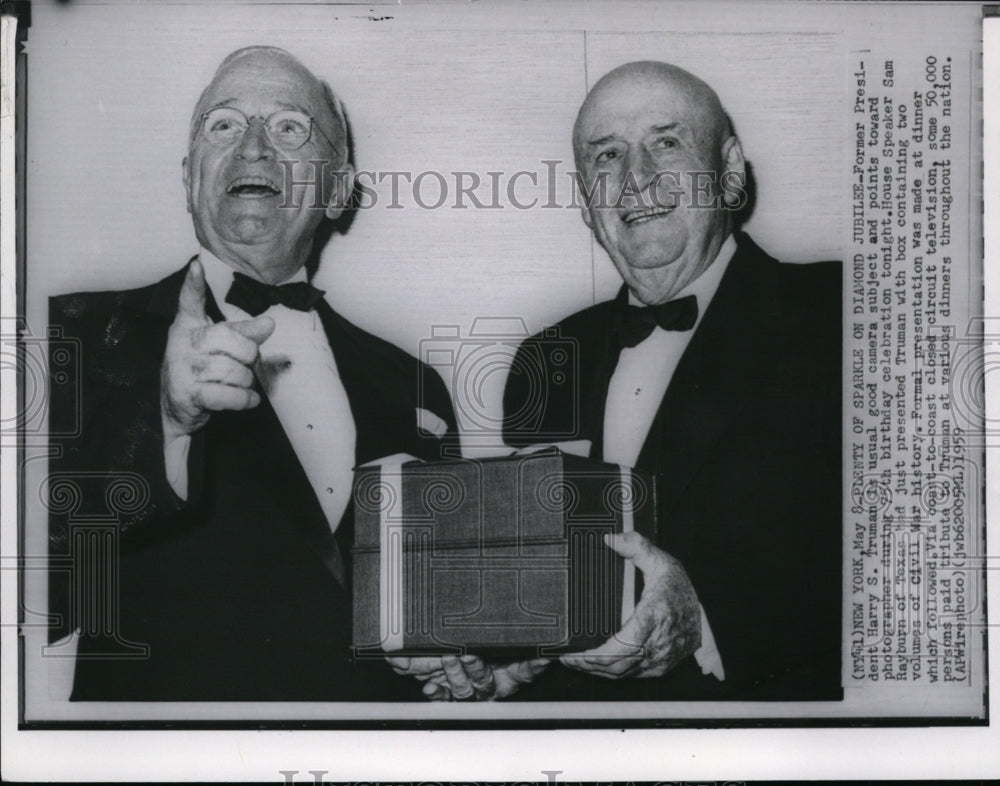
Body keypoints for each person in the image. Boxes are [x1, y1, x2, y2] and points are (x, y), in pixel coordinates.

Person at [400, 61, 841, 701]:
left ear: (731, 169)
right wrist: (517, 659)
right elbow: (553, 583)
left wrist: (704, 619)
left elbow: (914, 576)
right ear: (586, 203)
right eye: (606, 156)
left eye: (666, 142)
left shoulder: (845, 312)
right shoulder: (545, 358)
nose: (636, 179)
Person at [46, 46, 456, 701]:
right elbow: (37, 580)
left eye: (290, 127)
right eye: (224, 125)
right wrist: (167, 423)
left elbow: (435, 614)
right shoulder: (73, 334)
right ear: (189, 177)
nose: (255, 148)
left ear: (339, 189)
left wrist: (472, 662)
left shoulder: (414, 386)